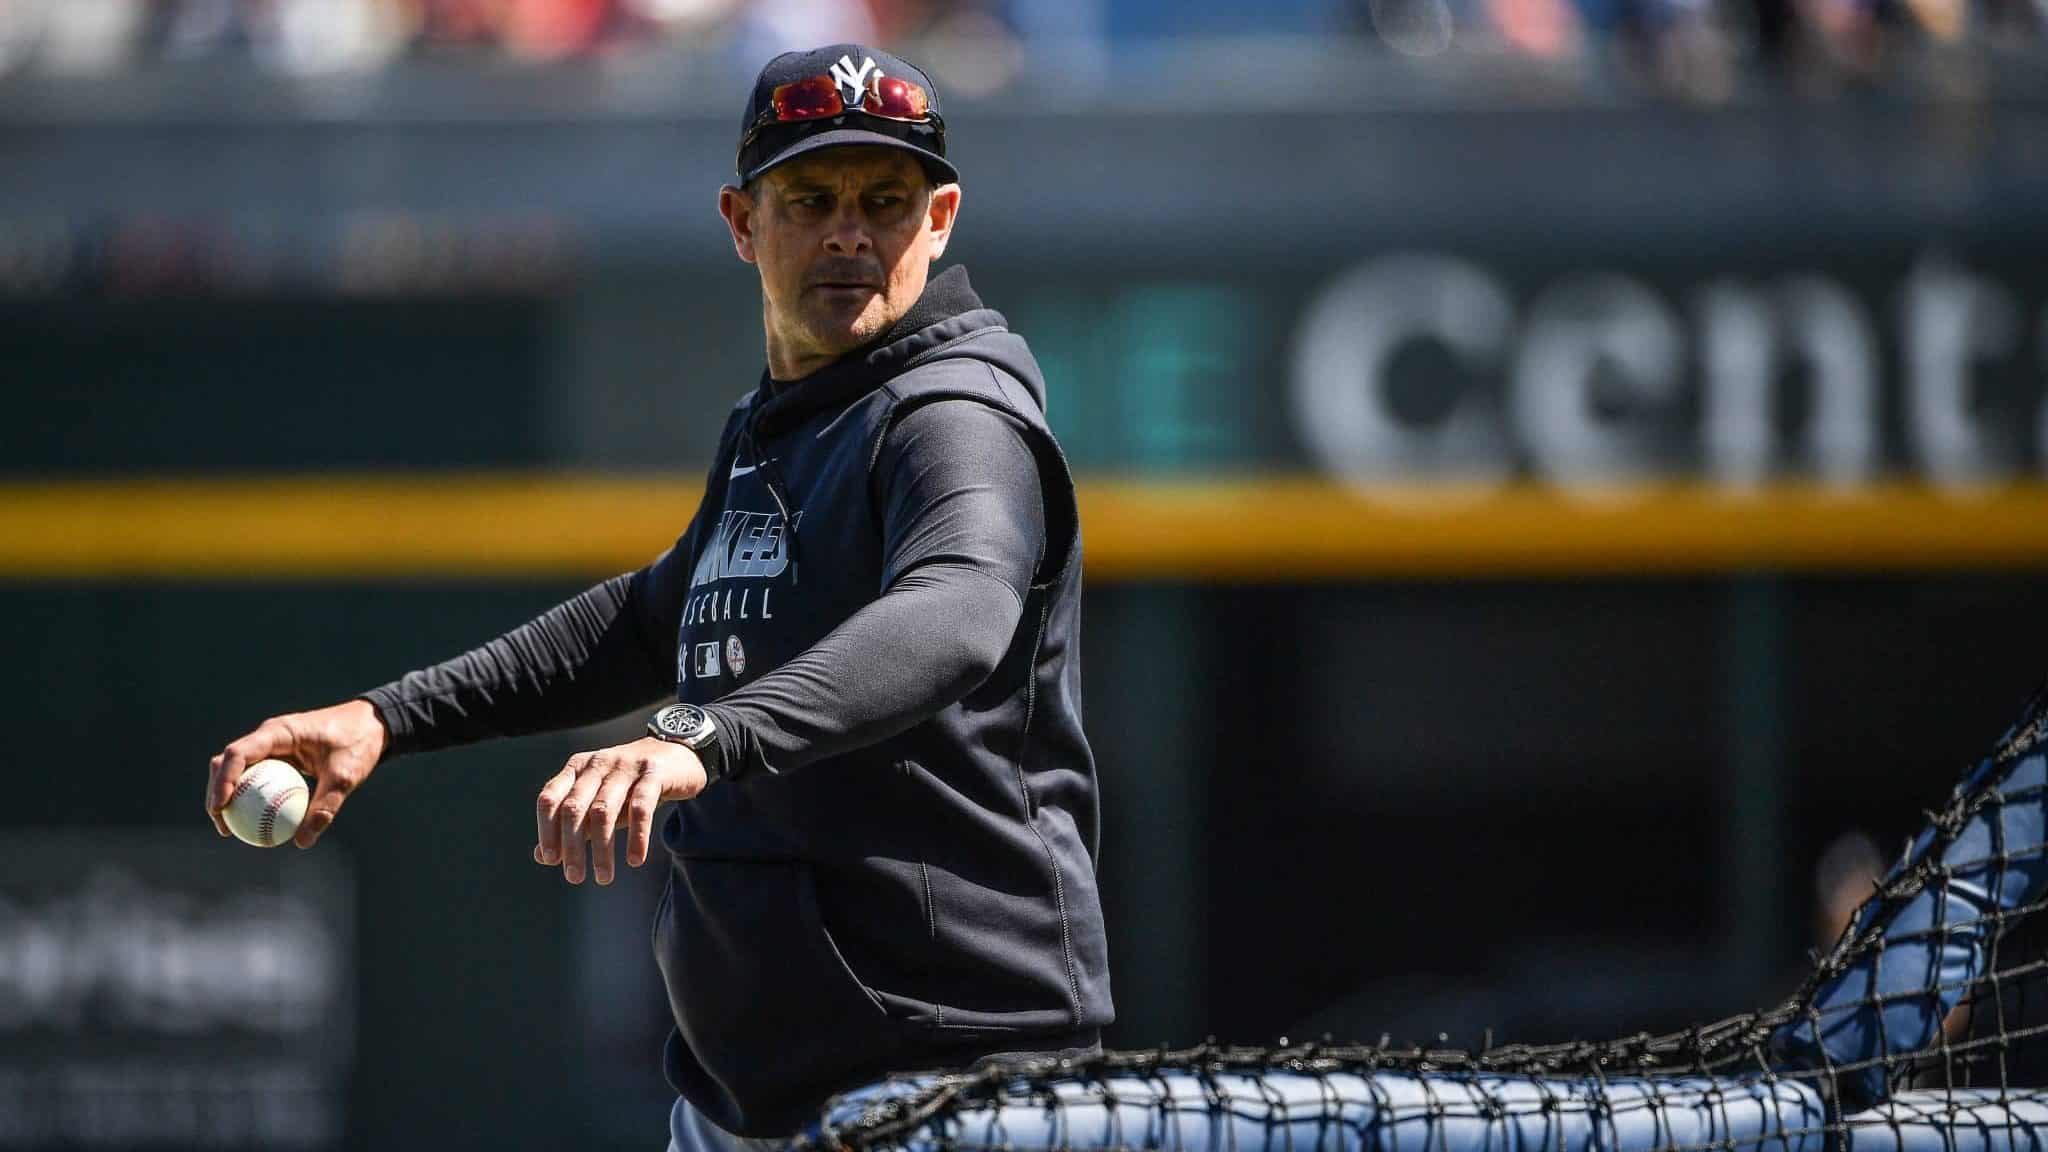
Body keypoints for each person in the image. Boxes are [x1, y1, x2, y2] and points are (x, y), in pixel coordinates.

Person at [203, 43, 1114, 1150]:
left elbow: (957, 608)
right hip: (756, 1096)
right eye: (810, 198)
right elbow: (648, 621)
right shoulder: (785, 424)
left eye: (885, 200)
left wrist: (702, 736)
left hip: (947, 1084)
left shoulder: (951, 417)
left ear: (940, 218)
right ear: (741, 221)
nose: (848, 232)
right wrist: (385, 717)